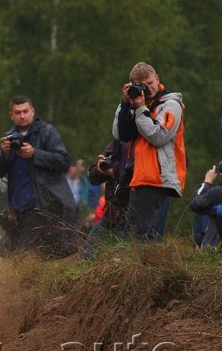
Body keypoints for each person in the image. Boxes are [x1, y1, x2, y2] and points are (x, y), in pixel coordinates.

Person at [0, 95, 77, 258]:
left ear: (33, 111)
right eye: (17, 112)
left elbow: (64, 161)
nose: (22, 116)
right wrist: (2, 154)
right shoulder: (9, 138)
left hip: (42, 205)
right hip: (16, 210)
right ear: (11, 115)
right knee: (9, 255)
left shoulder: (47, 132)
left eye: (25, 111)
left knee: (27, 256)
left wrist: (35, 154)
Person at [112, 62, 186, 241]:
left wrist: (140, 109)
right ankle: (152, 259)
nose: (147, 88)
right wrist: (125, 104)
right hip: (137, 175)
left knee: (137, 235)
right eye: (141, 84)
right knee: (139, 234)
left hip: (156, 177)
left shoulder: (171, 104)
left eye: (150, 83)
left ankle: (145, 259)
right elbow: (120, 134)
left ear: (157, 79)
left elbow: (158, 136)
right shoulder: (136, 102)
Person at [81, 139, 131, 259]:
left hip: (130, 215)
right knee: (86, 255)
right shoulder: (117, 144)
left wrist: (116, 173)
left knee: (122, 257)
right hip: (111, 214)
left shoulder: (141, 145)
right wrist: (99, 169)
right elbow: (93, 178)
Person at [190, 165, 222, 251]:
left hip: (214, 251)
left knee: (206, 211)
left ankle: (202, 246)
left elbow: (196, 205)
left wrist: (207, 182)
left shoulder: (217, 192)